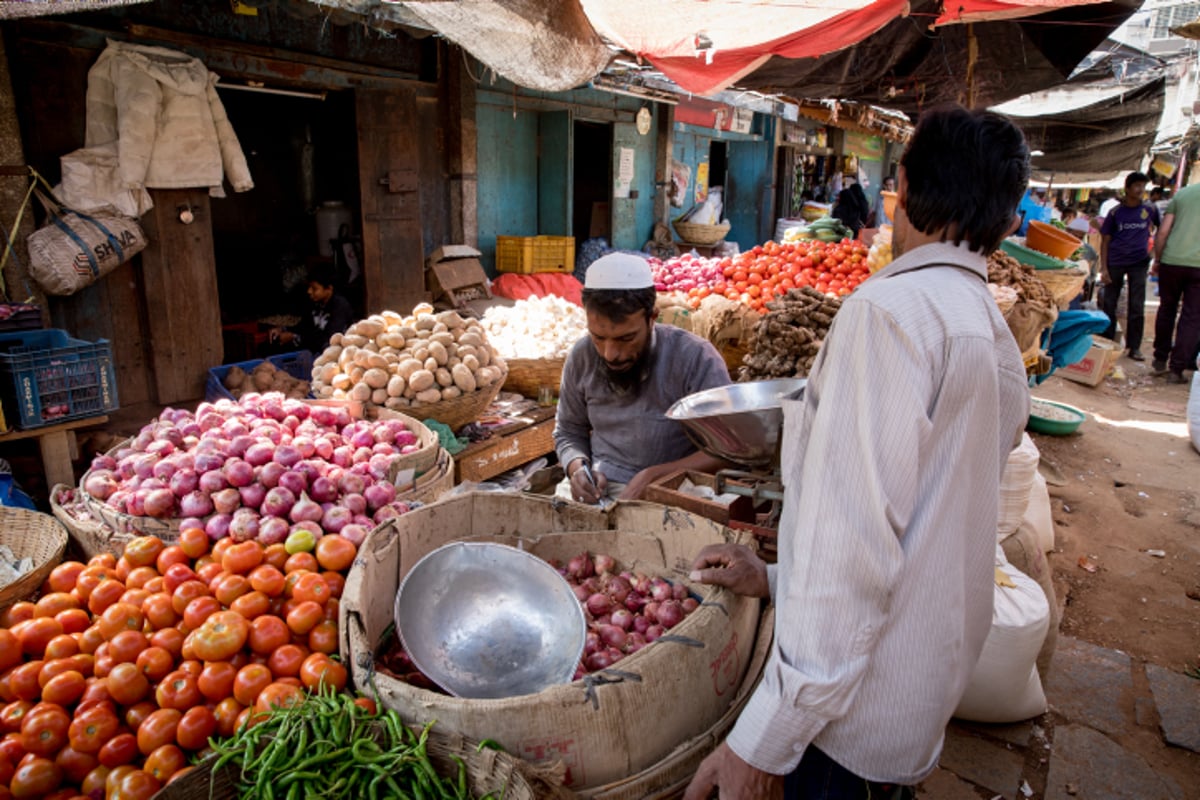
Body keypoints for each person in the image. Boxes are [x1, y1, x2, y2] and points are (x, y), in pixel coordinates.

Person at [682, 106, 1030, 800]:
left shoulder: (888, 313)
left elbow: (856, 546)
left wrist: (764, 740)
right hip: (916, 694)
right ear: (1008, 214)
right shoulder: (987, 323)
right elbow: (928, 522)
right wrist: (775, 581)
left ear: (900, 185)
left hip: (848, 721)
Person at [553, 253, 731, 504]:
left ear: (652, 318)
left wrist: (654, 476)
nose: (610, 354)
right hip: (600, 489)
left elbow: (727, 448)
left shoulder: (695, 358)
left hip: (676, 488)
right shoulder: (581, 355)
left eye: (626, 338)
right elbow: (568, 431)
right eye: (598, 337)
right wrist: (578, 469)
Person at [1099, 171, 1158, 361]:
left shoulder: (1150, 209)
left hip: (1139, 263)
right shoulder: (1115, 213)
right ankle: (1107, 342)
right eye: (1137, 186)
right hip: (1115, 261)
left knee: (1136, 305)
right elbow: (1105, 240)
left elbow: (1162, 229)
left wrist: (1153, 253)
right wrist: (1104, 268)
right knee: (1109, 303)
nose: (1140, 190)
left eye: (1143, 186)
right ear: (1127, 189)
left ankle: (1135, 347)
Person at [1151, 181, 1200, 384]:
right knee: (1192, 317)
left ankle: (1160, 358)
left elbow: (1162, 232)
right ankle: (1176, 370)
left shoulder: (1182, 195)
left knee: (1167, 308)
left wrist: (1158, 259)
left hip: (1172, 261)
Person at [268, 263, 354, 353]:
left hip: (332, 353)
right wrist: (282, 329)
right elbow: (304, 325)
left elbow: (329, 338)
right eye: (309, 287)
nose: (309, 291)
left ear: (329, 289)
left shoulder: (340, 306)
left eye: (314, 288)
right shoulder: (315, 303)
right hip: (312, 348)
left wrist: (295, 337)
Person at [832, 174, 871, 238]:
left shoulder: (838, 209)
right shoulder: (857, 206)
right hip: (855, 232)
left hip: (841, 235)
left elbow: (834, 222)